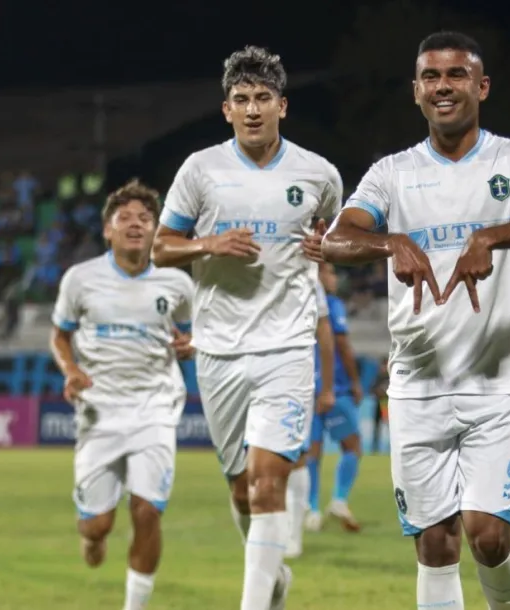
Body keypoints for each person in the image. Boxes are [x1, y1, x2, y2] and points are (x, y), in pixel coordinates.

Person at [317, 30, 510, 610]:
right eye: (431, 77)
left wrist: (492, 235)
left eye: (456, 75)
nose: (443, 86)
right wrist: (390, 243)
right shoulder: (392, 173)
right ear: (416, 91)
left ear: (481, 86)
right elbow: (336, 238)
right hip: (418, 383)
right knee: (435, 544)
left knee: (488, 535)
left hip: (498, 379)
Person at [151, 45, 343, 610]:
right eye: (242, 100)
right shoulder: (200, 170)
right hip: (218, 350)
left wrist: (326, 248)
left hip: (286, 347)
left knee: (267, 482)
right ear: (226, 109)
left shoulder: (318, 173)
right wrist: (208, 243)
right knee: (241, 488)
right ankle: (272, 579)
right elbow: (161, 247)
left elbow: (334, 235)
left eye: (263, 98)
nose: (253, 109)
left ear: (283, 106)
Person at [50, 179, 195, 610]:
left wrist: (189, 345)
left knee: (148, 511)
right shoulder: (81, 279)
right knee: (97, 526)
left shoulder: (176, 284)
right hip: (99, 411)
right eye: (125, 218)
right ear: (107, 230)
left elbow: (192, 332)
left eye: (145, 219)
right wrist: (71, 368)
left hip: (155, 407)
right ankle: (93, 540)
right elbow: (60, 336)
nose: (136, 224)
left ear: (155, 230)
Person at [302, 263, 365, 534]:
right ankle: (338, 500)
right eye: (329, 272)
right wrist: (354, 381)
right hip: (334, 387)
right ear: (317, 275)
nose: (334, 277)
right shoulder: (331, 304)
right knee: (353, 446)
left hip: (305, 388)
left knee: (312, 452)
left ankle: (312, 509)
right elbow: (342, 345)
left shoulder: (299, 301)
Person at [285, 277, 336, 558]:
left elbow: (324, 331)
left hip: (294, 376)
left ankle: (293, 536)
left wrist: (327, 387)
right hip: (246, 371)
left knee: (296, 455)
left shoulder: (307, 278)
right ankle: (279, 525)